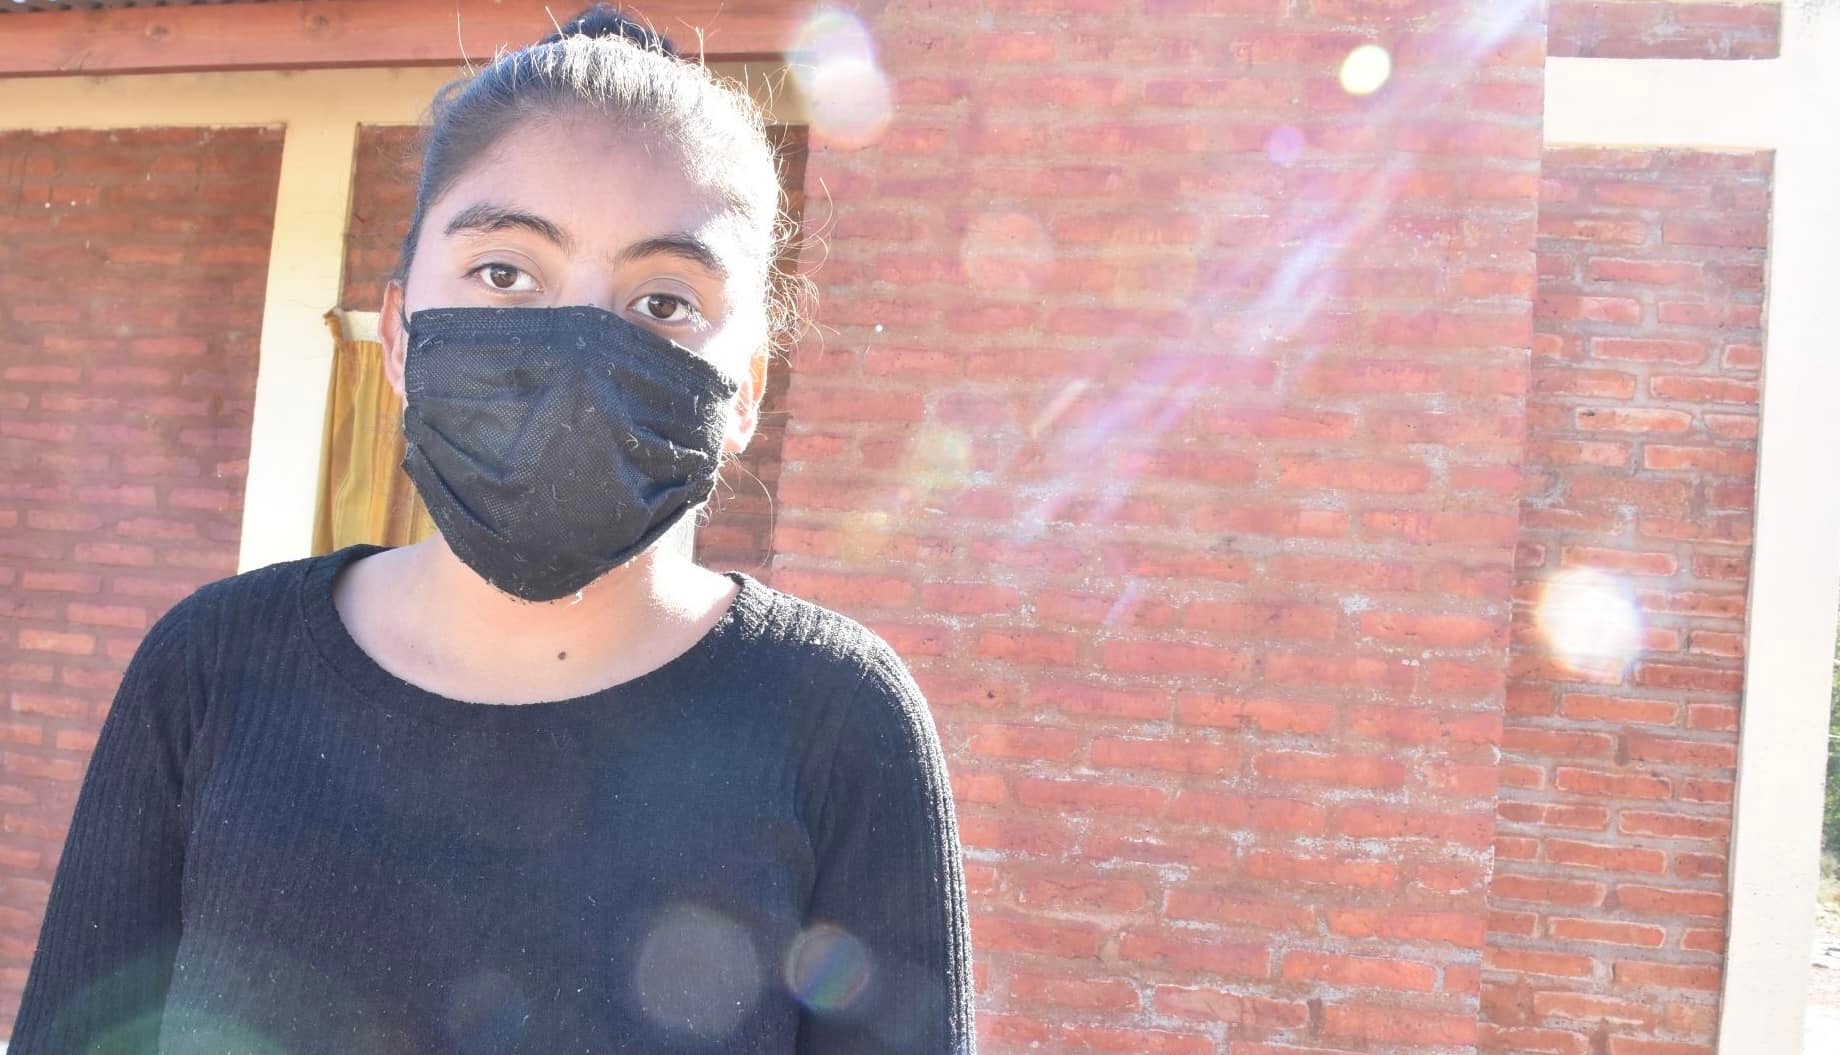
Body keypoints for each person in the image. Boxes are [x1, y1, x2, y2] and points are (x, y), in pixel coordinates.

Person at [7, 7, 975, 1053]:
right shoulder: (209, 671)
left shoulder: (840, 723)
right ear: (398, 336)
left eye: (663, 301)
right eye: (505, 272)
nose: (576, 349)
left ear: (744, 390)